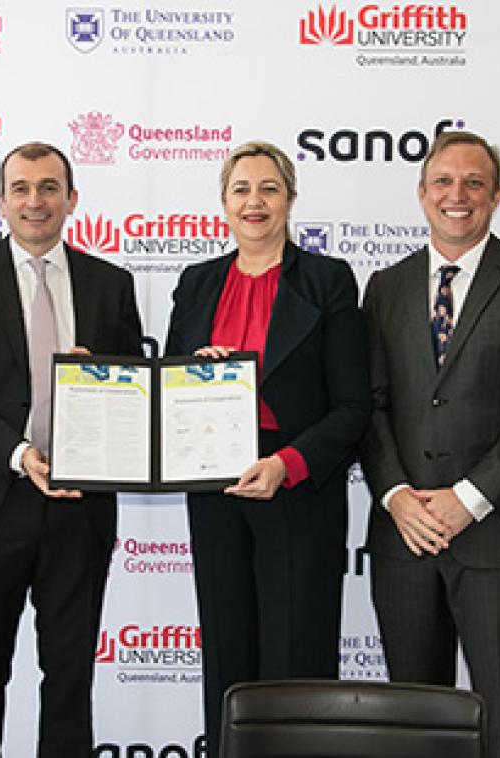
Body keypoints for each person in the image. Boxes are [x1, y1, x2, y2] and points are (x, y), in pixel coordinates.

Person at [359, 130, 500, 758]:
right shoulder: (386, 286)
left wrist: (470, 498)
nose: (457, 195)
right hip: (405, 540)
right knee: (412, 722)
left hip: (499, 536)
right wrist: (398, 494)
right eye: (443, 182)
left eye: (473, 183)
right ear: (422, 193)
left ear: (496, 196)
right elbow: (368, 404)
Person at [0, 141, 144, 758]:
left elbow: (135, 391)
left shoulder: (111, 284)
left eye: (49, 187)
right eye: (20, 188)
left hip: (79, 505)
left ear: (71, 199)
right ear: (1, 201)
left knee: (71, 676)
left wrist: (107, 378)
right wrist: (21, 454)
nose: (35, 201)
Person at [165, 140, 371, 757]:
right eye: (241, 190)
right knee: (228, 650)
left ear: (290, 198)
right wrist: (189, 373)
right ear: (223, 203)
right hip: (213, 483)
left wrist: (289, 464)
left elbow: (354, 406)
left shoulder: (327, 280)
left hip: (297, 484)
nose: (254, 203)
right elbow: (166, 392)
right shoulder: (197, 282)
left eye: (268, 189)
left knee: (297, 654)